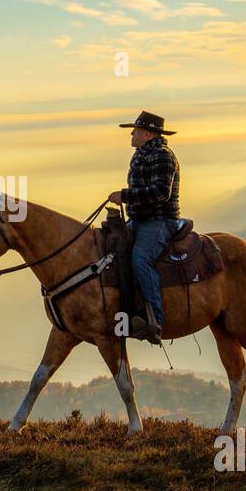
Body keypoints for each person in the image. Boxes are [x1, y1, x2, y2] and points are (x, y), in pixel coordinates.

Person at [108, 111, 181, 344]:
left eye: (136, 130)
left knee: (140, 258)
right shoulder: (142, 154)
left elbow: (161, 193)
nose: (131, 133)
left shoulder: (162, 156)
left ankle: (154, 320)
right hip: (139, 219)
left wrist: (125, 195)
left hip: (159, 221)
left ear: (148, 133)